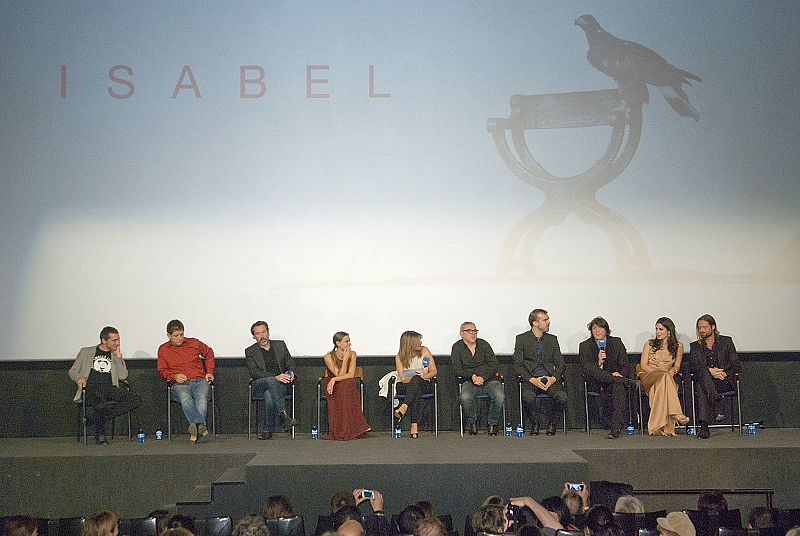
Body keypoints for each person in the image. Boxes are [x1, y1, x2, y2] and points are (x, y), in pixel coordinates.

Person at [69, 327, 141, 444]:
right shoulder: (86, 352)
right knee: (100, 403)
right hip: (91, 388)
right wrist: (78, 379)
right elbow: (72, 371)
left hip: (109, 388)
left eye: (118, 340)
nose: (117, 343)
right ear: (104, 340)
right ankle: (100, 435)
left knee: (136, 400)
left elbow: (123, 376)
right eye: (114, 340)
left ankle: (92, 419)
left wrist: (118, 357)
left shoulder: (115, 355)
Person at [157, 319, 215, 443]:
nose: (179, 338)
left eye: (181, 334)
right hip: (179, 383)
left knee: (202, 398)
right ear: (168, 336)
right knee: (185, 398)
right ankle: (200, 426)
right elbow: (162, 371)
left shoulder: (194, 343)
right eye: (176, 336)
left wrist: (209, 371)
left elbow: (209, 353)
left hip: (199, 379)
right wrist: (174, 376)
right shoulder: (163, 349)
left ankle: (196, 428)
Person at [513, 309, 567, 436]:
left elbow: (560, 364)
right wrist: (532, 379)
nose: (548, 322)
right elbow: (518, 365)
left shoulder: (552, 339)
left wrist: (553, 378)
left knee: (562, 397)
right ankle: (535, 423)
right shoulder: (522, 339)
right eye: (545, 320)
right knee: (528, 397)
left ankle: (552, 424)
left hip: (549, 377)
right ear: (535, 323)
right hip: (531, 378)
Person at [578, 317, 634, 439]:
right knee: (594, 370)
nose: (597, 331)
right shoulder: (585, 346)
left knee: (618, 387)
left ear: (606, 330)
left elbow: (625, 365)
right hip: (596, 382)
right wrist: (598, 362)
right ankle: (627, 382)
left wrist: (620, 374)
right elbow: (587, 368)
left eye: (600, 328)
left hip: (614, 381)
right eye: (594, 328)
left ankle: (616, 427)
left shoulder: (616, 342)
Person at [688, 315, 741, 440]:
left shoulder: (726, 341)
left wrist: (724, 373)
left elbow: (736, 365)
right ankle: (716, 405)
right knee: (703, 377)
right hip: (706, 381)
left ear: (713, 327)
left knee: (702, 382)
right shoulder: (695, 346)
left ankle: (704, 426)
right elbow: (693, 368)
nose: (701, 330)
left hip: (723, 380)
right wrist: (709, 371)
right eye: (699, 328)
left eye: (704, 327)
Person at [245, 320, 298, 440]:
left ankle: (268, 429)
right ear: (254, 336)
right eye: (258, 333)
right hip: (260, 383)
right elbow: (254, 373)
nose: (262, 336)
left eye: (264, 332)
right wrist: (275, 377)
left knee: (269, 395)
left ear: (268, 332)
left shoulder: (280, 345)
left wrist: (291, 373)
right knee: (271, 381)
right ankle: (283, 416)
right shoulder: (250, 351)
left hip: (281, 384)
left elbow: (290, 364)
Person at [451, 322, 505, 436]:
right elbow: (457, 369)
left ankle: (492, 423)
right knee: (465, 397)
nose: (473, 333)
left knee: (499, 396)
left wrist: (483, 377)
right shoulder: (457, 347)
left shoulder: (484, 344)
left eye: (475, 331)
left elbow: (494, 365)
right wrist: (472, 376)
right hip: (469, 380)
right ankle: (473, 422)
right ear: (461, 334)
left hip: (489, 379)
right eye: (469, 331)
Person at [638, 317, 689, 436]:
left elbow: (676, 366)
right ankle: (677, 413)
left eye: (661, 329)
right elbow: (643, 365)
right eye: (656, 329)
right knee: (664, 377)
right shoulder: (649, 344)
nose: (657, 332)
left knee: (662, 384)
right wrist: (660, 373)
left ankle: (658, 426)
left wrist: (672, 371)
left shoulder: (678, 346)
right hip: (649, 375)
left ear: (669, 331)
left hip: (666, 379)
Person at [322, 332, 370, 440]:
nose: (349, 343)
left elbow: (351, 374)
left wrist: (334, 379)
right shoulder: (328, 357)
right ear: (338, 343)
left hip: (341, 383)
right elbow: (340, 374)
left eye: (349, 341)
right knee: (348, 383)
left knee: (349, 382)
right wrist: (344, 360)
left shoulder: (353, 354)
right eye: (346, 341)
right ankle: (347, 429)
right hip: (332, 386)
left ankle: (349, 429)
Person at [394, 330, 438, 439]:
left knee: (417, 381)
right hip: (405, 385)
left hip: (424, 382)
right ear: (411, 343)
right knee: (416, 389)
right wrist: (418, 373)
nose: (421, 343)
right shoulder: (399, 357)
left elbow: (433, 371)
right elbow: (403, 378)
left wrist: (424, 375)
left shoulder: (424, 351)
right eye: (418, 341)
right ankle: (414, 425)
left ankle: (404, 406)